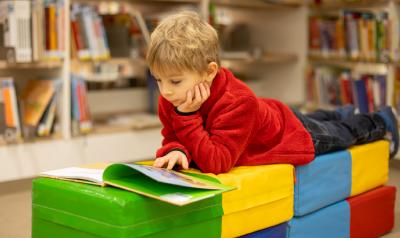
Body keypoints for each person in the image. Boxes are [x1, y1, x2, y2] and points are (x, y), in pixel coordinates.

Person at [147, 11, 399, 174]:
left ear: (209, 71)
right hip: (268, 114)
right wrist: (176, 150)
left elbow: (218, 162)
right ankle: (341, 112)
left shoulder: (237, 102)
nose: (165, 91)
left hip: (287, 134)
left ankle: (381, 120)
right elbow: (173, 135)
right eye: (158, 80)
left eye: (175, 81)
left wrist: (188, 117)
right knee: (317, 117)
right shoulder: (172, 97)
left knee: (342, 134)